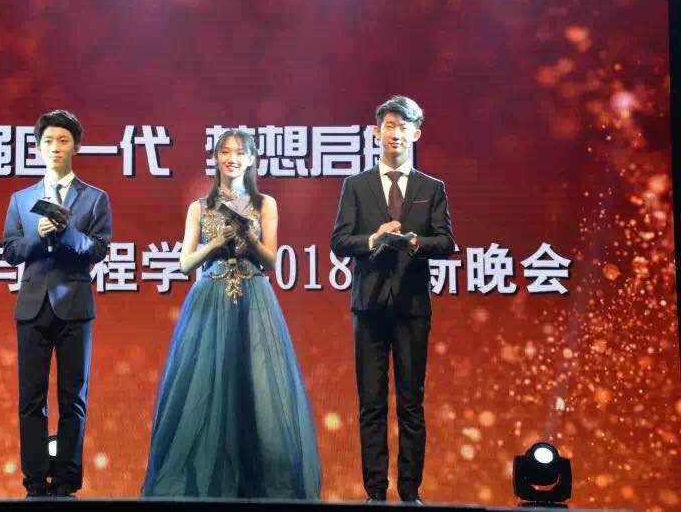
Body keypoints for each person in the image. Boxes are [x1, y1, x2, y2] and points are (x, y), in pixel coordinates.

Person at [141, 129, 321, 499]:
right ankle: (203, 482)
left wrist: (249, 239)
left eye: (240, 152)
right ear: (216, 158)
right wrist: (215, 245)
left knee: (257, 387)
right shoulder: (199, 207)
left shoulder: (265, 203)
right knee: (206, 388)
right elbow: (184, 263)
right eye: (225, 152)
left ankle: (259, 483)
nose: (232, 159)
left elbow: (272, 260)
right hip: (210, 298)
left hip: (254, 299)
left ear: (251, 159)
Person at [330, 96, 455, 504]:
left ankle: (410, 492)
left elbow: (446, 242)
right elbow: (339, 241)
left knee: (411, 404)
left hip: (412, 307)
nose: (395, 134)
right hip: (368, 306)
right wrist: (373, 239)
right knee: (371, 404)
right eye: (389, 126)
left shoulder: (431, 188)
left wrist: (416, 243)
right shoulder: (356, 185)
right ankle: (375, 493)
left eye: (403, 127)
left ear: (416, 134)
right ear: (376, 132)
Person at [1, 110, 112, 498]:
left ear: (76, 146)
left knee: (73, 399)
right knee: (31, 399)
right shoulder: (21, 199)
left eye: (63, 140)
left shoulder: (95, 198)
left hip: (75, 307)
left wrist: (66, 233)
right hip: (32, 306)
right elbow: (10, 251)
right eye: (48, 141)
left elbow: (98, 249)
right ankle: (34, 481)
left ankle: (66, 481)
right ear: (37, 147)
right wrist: (38, 235)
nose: (55, 148)